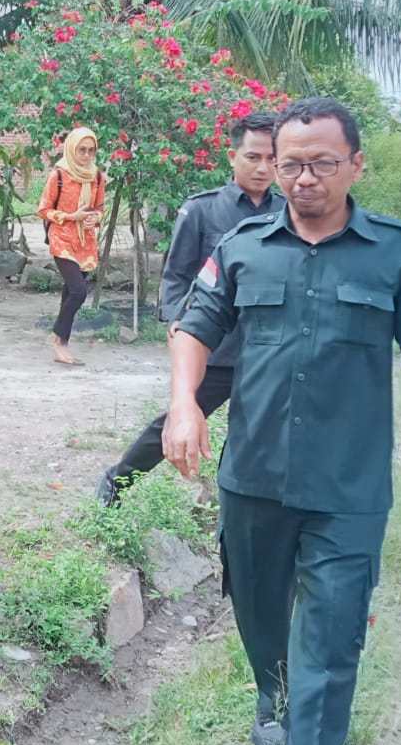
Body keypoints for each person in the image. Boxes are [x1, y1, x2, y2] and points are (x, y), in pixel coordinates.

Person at [164, 97, 401, 745]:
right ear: (273, 166)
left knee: (331, 644)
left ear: (355, 165)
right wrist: (183, 404)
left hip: (347, 485)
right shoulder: (243, 246)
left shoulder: (393, 253)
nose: (304, 178)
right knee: (260, 613)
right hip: (254, 477)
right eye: (290, 163)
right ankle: (270, 689)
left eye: (322, 163)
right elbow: (195, 327)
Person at [94, 112, 282, 503]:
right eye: (253, 157)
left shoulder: (288, 213)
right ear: (232, 156)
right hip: (211, 347)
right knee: (177, 419)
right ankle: (116, 482)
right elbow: (177, 275)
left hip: (266, 349)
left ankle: (236, 505)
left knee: (254, 434)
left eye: (272, 159)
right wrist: (177, 322)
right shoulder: (202, 210)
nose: (263, 168)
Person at [37, 127, 106, 366]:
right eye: (81, 150)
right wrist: (71, 216)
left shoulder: (97, 177)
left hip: (85, 241)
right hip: (62, 238)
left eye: (91, 151)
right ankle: (57, 337)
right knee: (78, 291)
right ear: (71, 149)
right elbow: (43, 210)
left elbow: (99, 208)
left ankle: (62, 345)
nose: (86, 155)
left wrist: (93, 219)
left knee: (69, 292)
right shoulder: (58, 175)